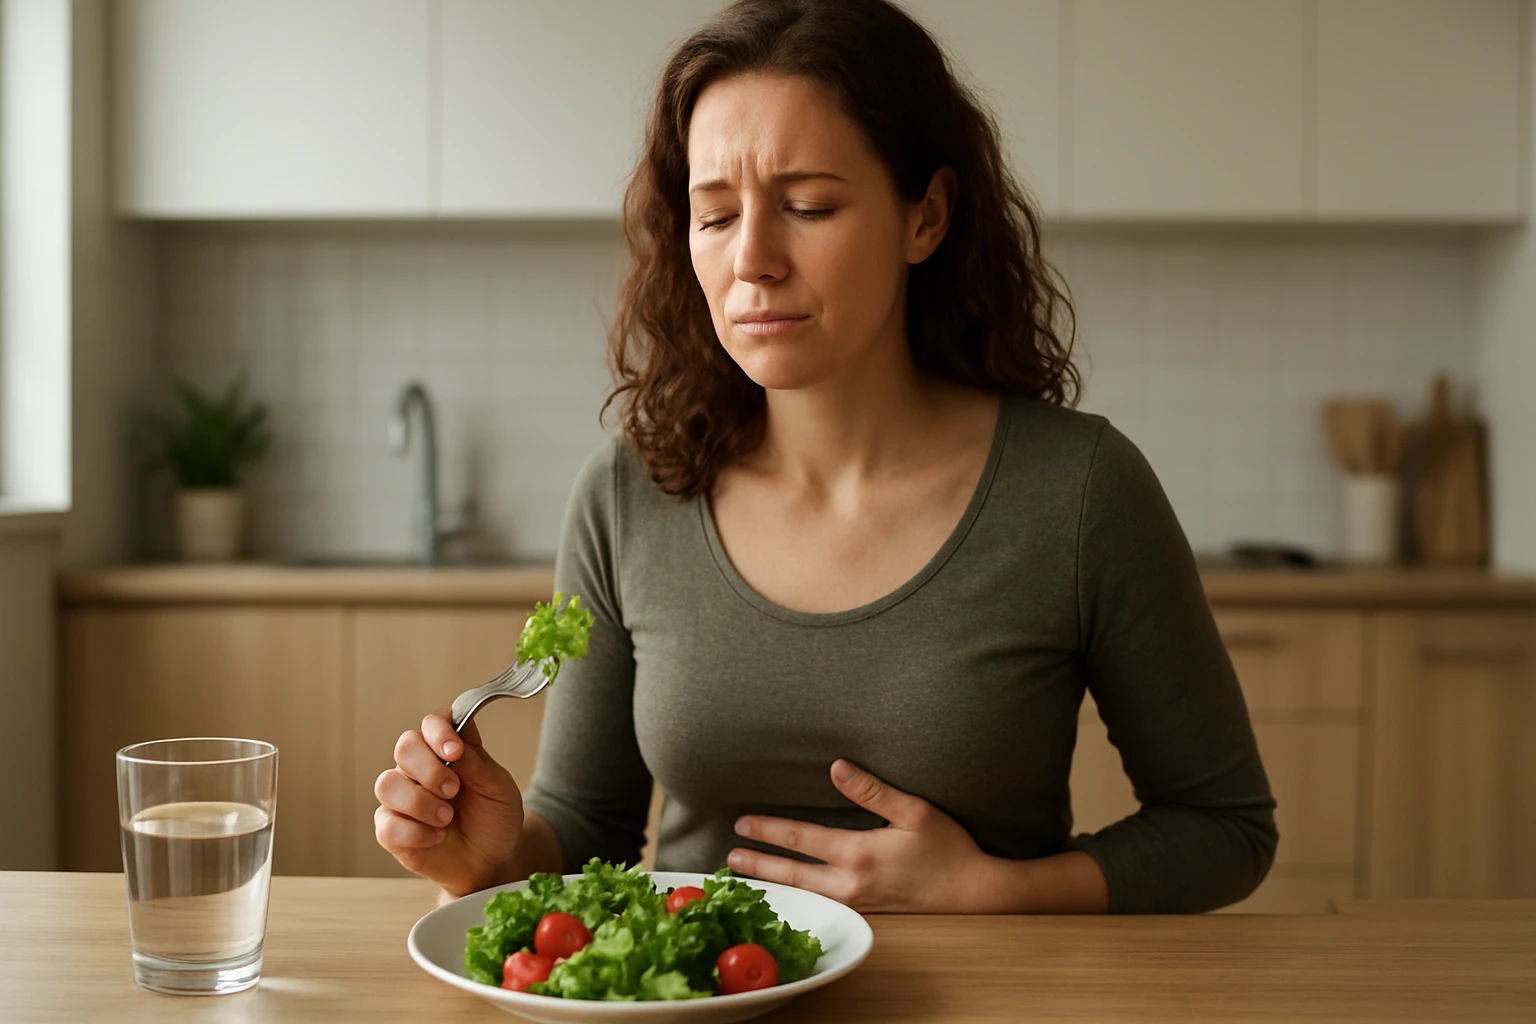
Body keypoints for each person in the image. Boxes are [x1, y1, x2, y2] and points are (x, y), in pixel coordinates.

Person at [374, 0, 1277, 914]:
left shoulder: (1080, 491)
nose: (753, 260)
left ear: (926, 218)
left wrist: (995, 890)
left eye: (808, 206)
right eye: (715, 215)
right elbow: (587, 823)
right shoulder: (626, 494)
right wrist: (488, 859)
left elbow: (1223, 827)